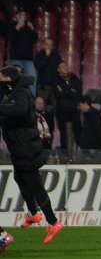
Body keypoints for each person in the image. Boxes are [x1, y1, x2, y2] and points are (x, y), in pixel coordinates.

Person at [0, 66, 63, 244]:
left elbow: (18, 110)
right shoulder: (12, 93)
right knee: (20, 178)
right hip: (19, 148)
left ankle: (53, 222)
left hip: (25, 148)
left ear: (9, 79)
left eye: (2, 77)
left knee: (36, 186)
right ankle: (34, 213)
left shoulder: (20, 93)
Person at [8, 7, 38, 96]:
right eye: (20, 15)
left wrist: (32, 28)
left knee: (32, 80)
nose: (22, 16)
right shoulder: (12, 25)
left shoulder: (28, 26)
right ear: (16, 16)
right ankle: (11, 100)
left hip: (28, 59)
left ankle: (32, 102)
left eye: (24, 15)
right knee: (13, 80)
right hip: (15, 59)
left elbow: (34, 39)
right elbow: (11, 37)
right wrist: (18, 27)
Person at [53, 61, 82, 149]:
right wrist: (71, 90)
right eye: (62, 66)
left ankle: (81, 152)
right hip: (62, 111)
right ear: (58, 70)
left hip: (74, 110)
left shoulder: (74, 77)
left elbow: (78, 93)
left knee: (78, 132)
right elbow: (58, 95)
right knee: (64, 134)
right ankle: (64, 154)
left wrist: (64, 90)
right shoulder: (55, 79)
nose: (65, 67)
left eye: (66, 66)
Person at [33, 37, 62, 107]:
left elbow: (59, 69)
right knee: (40, 107)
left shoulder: (56, 55)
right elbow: (38, 67)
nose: (49, 46)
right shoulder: (39, 55)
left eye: (51, 45)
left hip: (54, 86)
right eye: (47, 44)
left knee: (57, 107)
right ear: (43, 45)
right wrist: (47, 56)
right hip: (43, 86)